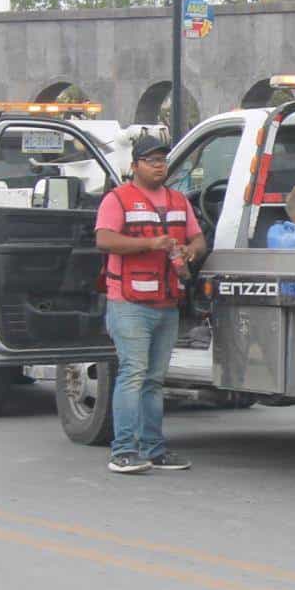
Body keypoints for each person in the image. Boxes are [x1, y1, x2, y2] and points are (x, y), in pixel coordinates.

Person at [94, 135, 206, 474]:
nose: (159, 166)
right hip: (129, 302)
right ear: (135, 165)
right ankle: (124, 451)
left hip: (166, 302)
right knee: (133, 374)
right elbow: (104, 239)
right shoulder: (118, 199)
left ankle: (154, 449)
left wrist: (191, 251)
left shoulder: (178, 200)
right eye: (151, 160)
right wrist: (150, 242)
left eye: (162, 160)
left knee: (154, 379)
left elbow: (197, 237)